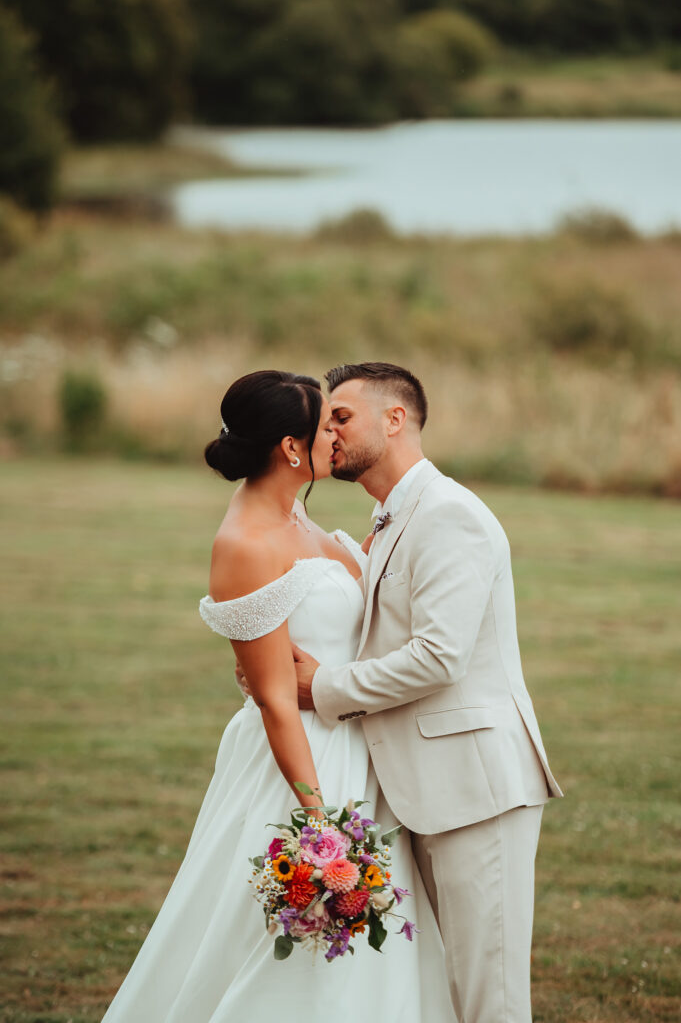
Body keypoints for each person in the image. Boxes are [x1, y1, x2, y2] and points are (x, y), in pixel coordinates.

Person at [100, 370, 455, 1023]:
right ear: (292, 448)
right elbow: (272, 699)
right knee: (293, 945)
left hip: (358, 746)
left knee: (373, 945)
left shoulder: (294, 512)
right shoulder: (244, 544)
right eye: (327, 426)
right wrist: (317, 823)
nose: (336, 436)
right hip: (303, 766)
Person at [291, 362, 563, 1023]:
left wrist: (320, 687)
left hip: (475, 790)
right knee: (443, 992)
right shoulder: (391, 517)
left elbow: (439, 657)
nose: (326, 432)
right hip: (422, 788)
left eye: (341, 417)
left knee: (488, 999)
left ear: (395, 418)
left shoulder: (447, 514)